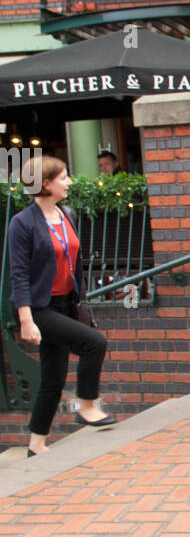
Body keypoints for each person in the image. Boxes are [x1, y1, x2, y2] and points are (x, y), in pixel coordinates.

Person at [7, 156, 115, 455]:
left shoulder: (66, 213)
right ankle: (88, 405)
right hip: (41, 308)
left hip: (66, 303)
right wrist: (26, 319)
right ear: (46, 183)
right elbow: (19, 274)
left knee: (52, 380)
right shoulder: (22, 223)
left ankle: (36, 444)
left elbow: (71, 258)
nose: (69, 182)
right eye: (64, 177)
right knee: (95, 343)